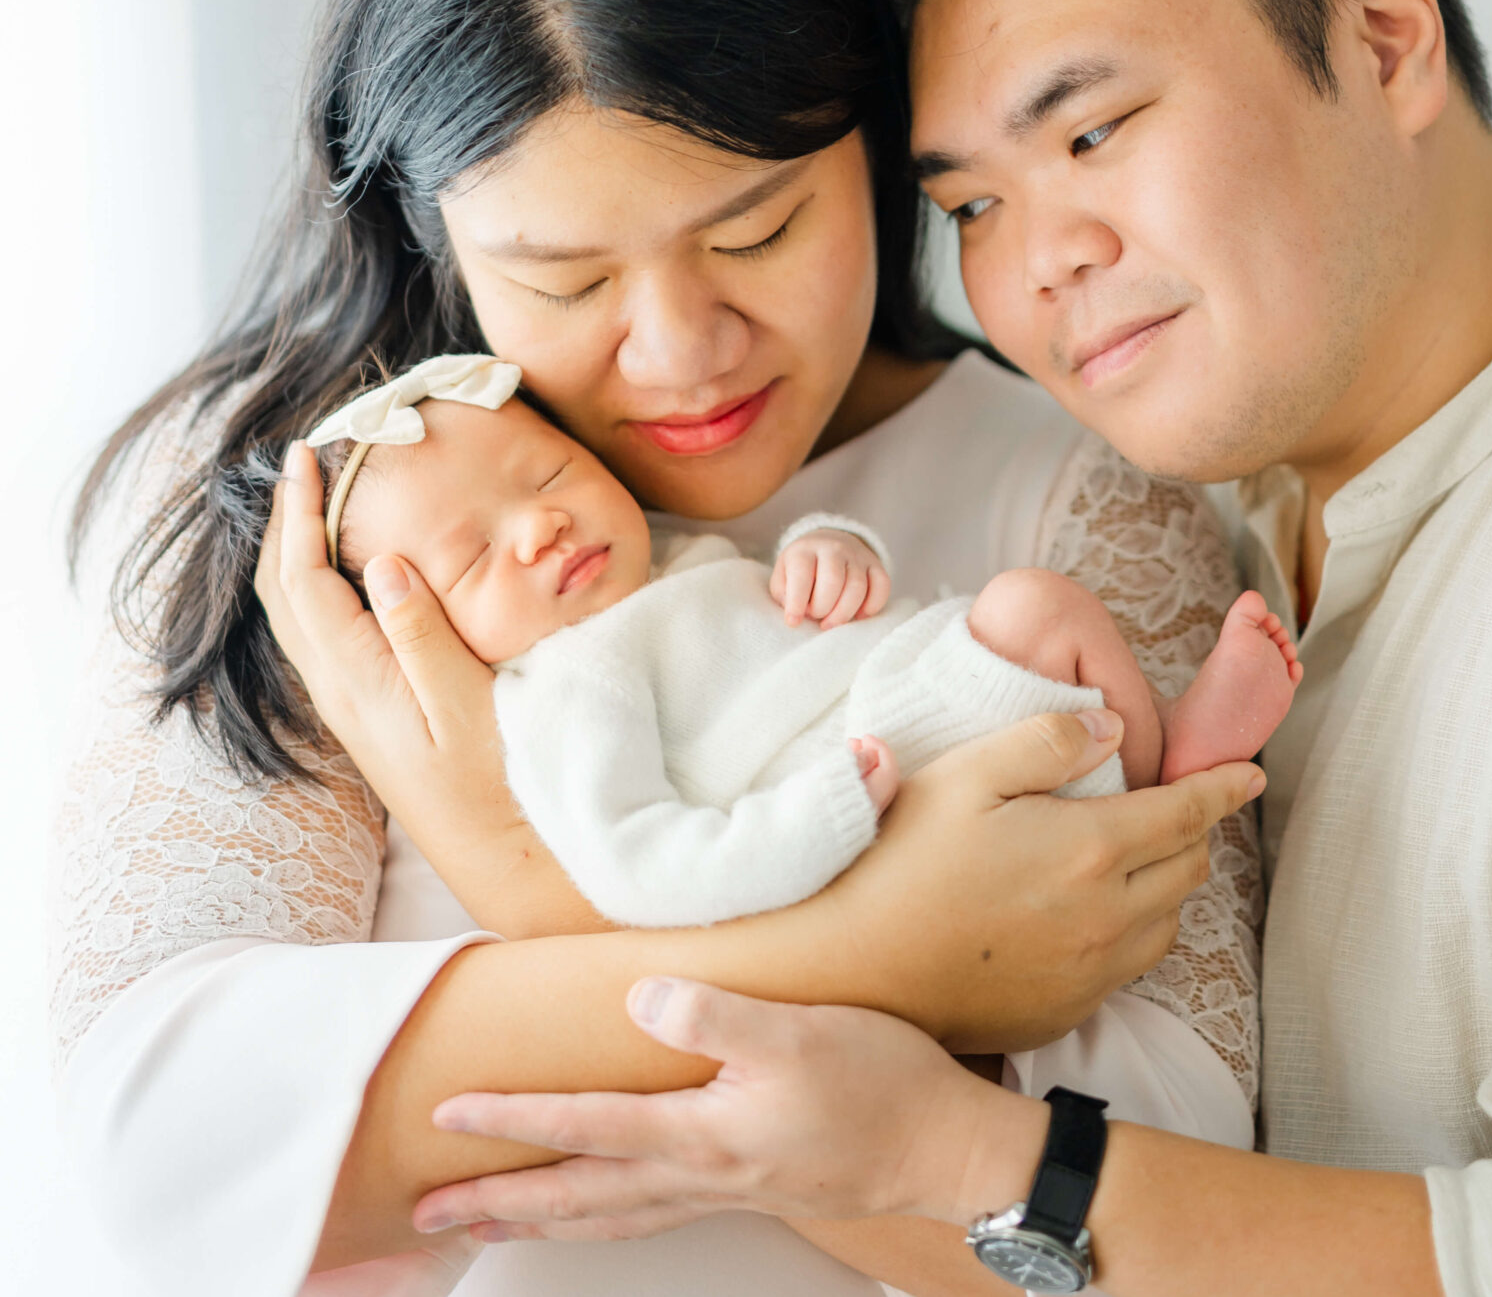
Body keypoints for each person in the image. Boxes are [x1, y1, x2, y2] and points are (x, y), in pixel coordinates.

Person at [417, 0, 1492, 1297]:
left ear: (1382, 34)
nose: (1036, 266)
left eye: (1090, 132)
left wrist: (975, 1156)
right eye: (969, 206)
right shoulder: (1235, 487)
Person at [52, 0, 1263, 1297]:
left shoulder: (1080, 504)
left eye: (755, 229)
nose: (683, 348)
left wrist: (520, 891)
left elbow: (1134, 1220)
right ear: (430, 231)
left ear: (875, 146)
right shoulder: (333, 515)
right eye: (562, 278)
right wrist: (889, 958)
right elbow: (184, 1119)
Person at [298, 354, 1299, 926]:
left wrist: (830, 551)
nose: (539, 526)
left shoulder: (668, 563)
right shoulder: (563, 686)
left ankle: (1159, 746)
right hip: (857, 782)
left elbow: (781, 615)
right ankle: (1162, 762)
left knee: (1043, 613)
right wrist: (814, 817)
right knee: (1034, 610)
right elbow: (635, 860)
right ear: (423, 633)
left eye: (548, 474)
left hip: (892, 699)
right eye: (474, 557)